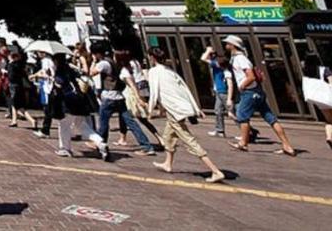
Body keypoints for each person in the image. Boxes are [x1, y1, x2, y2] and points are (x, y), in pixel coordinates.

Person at [145, 46, 226, 183]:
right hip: (177, 109)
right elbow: (184, 89)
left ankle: (215, 171)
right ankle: (168, 164)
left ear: (152, 57)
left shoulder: (154, 72)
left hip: (174, 111)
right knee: (168, 136)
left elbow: (154, 92)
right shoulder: (170, 71)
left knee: (188, 140)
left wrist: (150, 109)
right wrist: (195, 107)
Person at [223, 34, 295, 156]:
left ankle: (243, 143)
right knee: (271, 118)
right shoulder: (240, 58)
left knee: (242, 117)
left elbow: (250, 76)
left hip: (250, 92)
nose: (226, 45)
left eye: (227, 43)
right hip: (257, 92)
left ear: (233, 45)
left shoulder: (240, 59)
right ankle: (287, 145)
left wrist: (242, 85)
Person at [91, 46, 154, 155]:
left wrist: (93, 61)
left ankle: (101, 143)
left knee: (103, 122)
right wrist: (138, 98)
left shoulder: (104, 63)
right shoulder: (120, 66)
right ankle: (146, 145)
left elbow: (91, 72)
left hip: (109, 97)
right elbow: (131, 83)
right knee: (131, 122)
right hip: (119, 97)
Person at [52, 52, 110, 161]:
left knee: (64, 125)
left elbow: (59, 84)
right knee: (82, 126)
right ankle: (100, 142)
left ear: (56, 60)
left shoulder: (60, 71)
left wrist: (52, 79)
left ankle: (65, 148)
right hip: (79, 100)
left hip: (68, 101)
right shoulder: (71, 68)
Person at [200, 45, 233, 137]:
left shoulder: (223, 69)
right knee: (218, 111)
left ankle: (247, 131)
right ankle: (220, 130)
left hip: (224, 93)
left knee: (231, 113)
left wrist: (208, 50)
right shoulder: (217, 66)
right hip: (219, 92)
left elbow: (203, 58)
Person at [5, 48, 35, 129]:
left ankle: (32, 120)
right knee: (14, 104)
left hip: (13, 86)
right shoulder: (20, 65)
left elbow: (11, 77)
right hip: (20, 86)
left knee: (19, 106)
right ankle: (14, 121)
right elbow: (24, 75)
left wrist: (6, 71)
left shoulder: (11, 65)